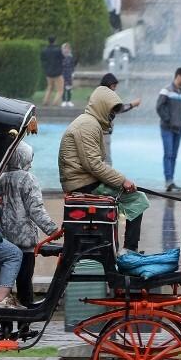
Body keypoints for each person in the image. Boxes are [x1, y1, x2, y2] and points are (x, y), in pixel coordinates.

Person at [58, 86, 149, 252]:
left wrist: (120, 181)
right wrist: (123, 181)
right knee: (138, 200)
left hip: (82, 181)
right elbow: (94, 165)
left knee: (129, 198)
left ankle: (118, 249)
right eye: (111, 111)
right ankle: (130, 251)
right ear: (101, 107)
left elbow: (94, 164)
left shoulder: (89, 123)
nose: (112, 116)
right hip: (83, 184)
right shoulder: (87, 125)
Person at [0, 142, 58, 333]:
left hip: (3, 241)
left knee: (3, 287)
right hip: (24, 243)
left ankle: (4, 328)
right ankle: (24, 326)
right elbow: (35, 210)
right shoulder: (28, 179)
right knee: (24, 284)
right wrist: (53, 230)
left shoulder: (0, 179)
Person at [155, 67, 181, 192]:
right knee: (168, 154)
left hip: (179, 128)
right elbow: (159, 107)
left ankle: (171, 181)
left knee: (174, 155)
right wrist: (168, 120)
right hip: (167, 128)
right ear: (179, 76)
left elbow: (180, 111)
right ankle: (168, 181)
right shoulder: (166, 90)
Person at [40, 36, 63, 106]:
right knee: (60, 90)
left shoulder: (44, 50)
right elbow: (62, 59)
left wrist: (46, 68)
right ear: (55, 41)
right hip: (57, 73)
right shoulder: (58, 50)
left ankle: (45, 101)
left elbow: (42, 60)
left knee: (49, 87)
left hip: (48, 72)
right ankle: (55, 102)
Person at [60, 42, 77, 107]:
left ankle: (69, 101)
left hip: (69, 74)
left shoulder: (71, 57)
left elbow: (73, 66)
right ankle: (63, 101)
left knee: (69, 88)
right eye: (65, 48)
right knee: (63, 88)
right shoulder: (60, 57)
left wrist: (73, 73)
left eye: (68, 48)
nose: (66, 50)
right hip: (62, 74)